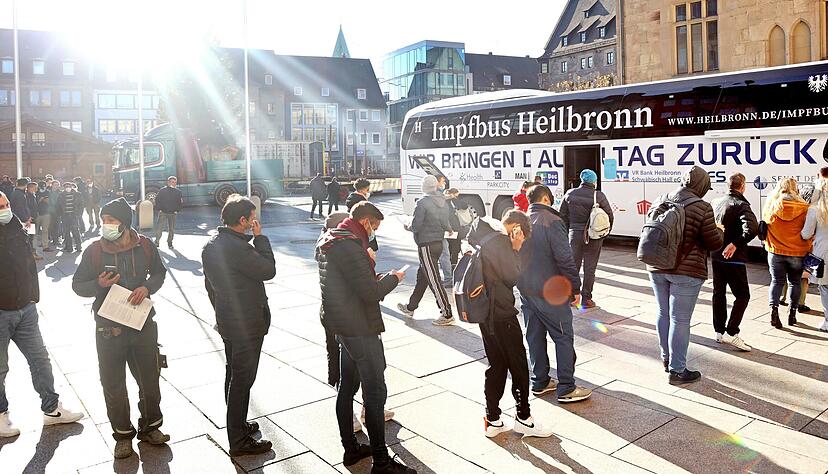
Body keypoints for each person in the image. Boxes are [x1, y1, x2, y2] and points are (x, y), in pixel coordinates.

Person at [316, 201, 414, 474]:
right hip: (358, 327)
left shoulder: (331, 239)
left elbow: (352, 283)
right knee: (375, 391)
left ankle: (351, 449)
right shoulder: (349, 245)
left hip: (342, 325)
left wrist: (371, 269)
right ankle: (381, 462)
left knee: (347, 386)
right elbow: (370, 293)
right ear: (366, 221)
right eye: (374, 226)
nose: (374, 233)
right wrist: (393, 278)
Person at [71, 197, 169, 458]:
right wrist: (98, 285)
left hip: (142, 324)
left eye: (111, 221)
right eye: (103, 221)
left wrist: (147, 287)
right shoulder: (93, 250)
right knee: (113, 384)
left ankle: (151, 427)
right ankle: (123, 435)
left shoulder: (145, 246)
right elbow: (78, 285)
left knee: (149, 380)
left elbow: (159, 273)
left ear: (124, 224)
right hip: (108, 328)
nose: (106, 225)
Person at [0, 191, 85, 438]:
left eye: (5, 204)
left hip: (25, 308)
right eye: (0, 206)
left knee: (40, 359)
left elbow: (29, 262)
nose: (5, 209)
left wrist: (32, 296)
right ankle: (1, 415)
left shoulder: (16, 226)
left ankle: (51, 409)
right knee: (0, 368)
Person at [202, 195, 276, 457]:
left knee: (233, 374)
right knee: (243, 379)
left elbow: (209, 286)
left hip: (228, 319)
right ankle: (238, 440)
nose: (254, 222)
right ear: (242, 220)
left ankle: (238, 425)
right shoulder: (238, 247)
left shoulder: (211, 245)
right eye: (251, 218)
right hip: (247, 322)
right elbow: (267, 270)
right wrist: (261, 239)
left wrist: (221, 309)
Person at [471, 210, 554, 438]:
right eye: (521, 236)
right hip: (501, 314)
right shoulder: (499, 242)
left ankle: (493, 419)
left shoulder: (484, 235)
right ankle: (524, 418)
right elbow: (512, 277)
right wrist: (516, 249)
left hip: (487, 314)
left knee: (497, 365)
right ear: (516, 228)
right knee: (518, 364)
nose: (520, 241)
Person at [647, 167, 723, 384]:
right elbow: (714, 242)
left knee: (663, 313)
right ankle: (678, 370)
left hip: (657, 266)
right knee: (680, 319)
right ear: (700, 186)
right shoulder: (702, 207)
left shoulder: (661, 198)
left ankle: (666, 358)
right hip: (686, 271)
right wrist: (720, 229)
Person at [517, 185, 592, 402]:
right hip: (550, 291)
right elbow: (565, 259)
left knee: (534, 336)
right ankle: (567, 387)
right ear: (546, 199)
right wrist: (575, 288)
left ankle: (540, 382)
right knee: (562, 336)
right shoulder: (552, 221)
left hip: (526, 289)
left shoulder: (521, 221)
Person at [397, 175, 456, 326]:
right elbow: (445, 222)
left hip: (426, 245)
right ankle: (411, 307)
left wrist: (406, 225)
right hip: (438, 243)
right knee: (423, 277)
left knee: (434, 279)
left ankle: (447, 313)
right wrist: (449, 229)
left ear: (424, 187)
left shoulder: (422, 203)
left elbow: (416, 226)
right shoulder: (442, 201)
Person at [711, 173, 758, 351]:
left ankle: (719, 332)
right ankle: (732, 331)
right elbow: (752, 228)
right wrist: (735, 244)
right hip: (734, 259)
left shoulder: (715, 202)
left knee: (719, 293)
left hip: (715, 255)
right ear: (743, 186)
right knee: (743, 295)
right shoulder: (741, 205)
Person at [559, 169, 613, 309]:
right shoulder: (598, 196)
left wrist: (567, 232)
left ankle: (571, 296)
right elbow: (609, 216)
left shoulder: (570, 194)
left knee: (573, 266)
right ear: (594, 181)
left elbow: (562, 215)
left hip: (574, 235)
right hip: (593, 236)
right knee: (590, 269)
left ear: (582, 180)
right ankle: (587, 299)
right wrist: (604, 234)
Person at [764, 177, 811, 328]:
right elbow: (808, 232)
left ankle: (774, 311)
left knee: (776, 282)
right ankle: (792, 314)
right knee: (795, 282)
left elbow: (765, 228)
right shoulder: (804, 208)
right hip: (797, 252)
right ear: (795, 189)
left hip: (775, 251)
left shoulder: (771, 206)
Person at [802, 178, 828, 332]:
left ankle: (827, 321)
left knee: (825, 287)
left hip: (824, 253)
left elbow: (806, 234)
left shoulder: (815, 209)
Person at [438, 188, 469, 286]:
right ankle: (452, 273)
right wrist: (454, 198)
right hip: (453, 230)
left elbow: (464, 206)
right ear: (453, 194)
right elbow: (464, 206)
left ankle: (450, 274)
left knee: (450, 251)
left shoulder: (444, 202)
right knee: (453, 251)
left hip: (449, 230)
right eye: (457, 195)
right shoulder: (451, 202)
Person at [154, 176, 183, 249]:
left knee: (171, 229)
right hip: (163, 212)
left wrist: (177, 210)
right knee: (159, 228)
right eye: (172, 182)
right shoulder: (162, 190)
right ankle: (157, 242)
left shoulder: (178, 192)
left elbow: (180, 202)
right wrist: (159, 209)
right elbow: (157, 200)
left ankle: (170, 243)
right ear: (168, 182)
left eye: (175, 182)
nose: (173, 183)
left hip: (173, 213)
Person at [59, 181, 83, 253]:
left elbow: (81, 205)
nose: (68, 188)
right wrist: (60, 214)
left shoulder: (77, 194)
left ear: (71, 187)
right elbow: (59, 206)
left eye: (69, 186)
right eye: (66, 187)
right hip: (65, 216)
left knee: (75, 231)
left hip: (74, 216)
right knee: (66, 232)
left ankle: (78, 247)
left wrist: (79, 214)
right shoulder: (61, 195)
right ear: (64, 188)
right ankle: (69, 247)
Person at [25, 181, 43, 260]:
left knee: (32, 236)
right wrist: (30, 216)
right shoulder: (27, 196)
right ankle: (31, 253)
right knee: (30, 237)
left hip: (34, 218)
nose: (36, 189)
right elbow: (27, 207)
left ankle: (32, 252)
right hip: (30, 219)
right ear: (30, 188)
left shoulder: (33, 195)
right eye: (35, 188)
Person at [48, 180, 63, 249]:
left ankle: (55, 240)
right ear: (52, 185)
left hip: (58, 212)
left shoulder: (60, 193)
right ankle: (50, 237)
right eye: (55, 184)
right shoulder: (48, 192)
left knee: (57, 226)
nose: (57, 186)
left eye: (58, 185)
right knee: (50, 226)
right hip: (50, 212)